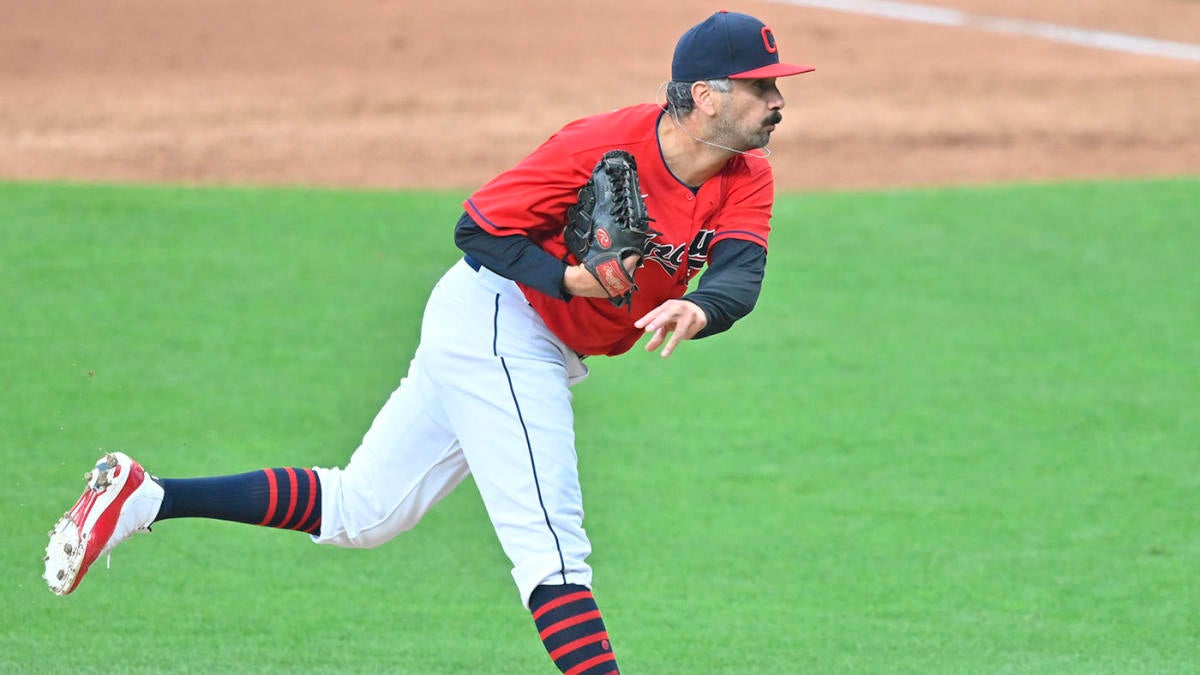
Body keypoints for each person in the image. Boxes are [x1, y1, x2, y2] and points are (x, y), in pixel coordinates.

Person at [42, 10, 813, 674]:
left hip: (518, 335)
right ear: (706, 94)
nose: (777, 100)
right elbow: (477, 228)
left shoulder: (747, 175)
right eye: (761, 86)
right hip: (503, 321)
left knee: (363, 509)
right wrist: (570, 279)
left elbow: (740, 276)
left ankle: (145, 495)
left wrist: (698, 310)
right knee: (551, 547)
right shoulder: (600, 143)